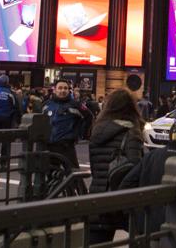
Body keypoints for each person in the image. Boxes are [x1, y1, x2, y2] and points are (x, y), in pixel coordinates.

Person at [87, 89, 146, 243]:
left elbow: (95, 166)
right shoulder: (132, 132)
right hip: (122, 198)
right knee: (143, 234)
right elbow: (135, 168)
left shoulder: (97, 130)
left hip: (97, 194)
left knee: (98, 241)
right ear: (131, 107)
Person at [43, 79, 88, 171]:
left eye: (65, 88)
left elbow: (89, 118)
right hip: (49, 145)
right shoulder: (47, 105)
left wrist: (80, 134)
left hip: (66, 146)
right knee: (50, 175)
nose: (62, 90)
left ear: (69, 90)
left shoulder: (76, 105)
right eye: (60, 88)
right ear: (54, 90)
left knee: (73, 175)